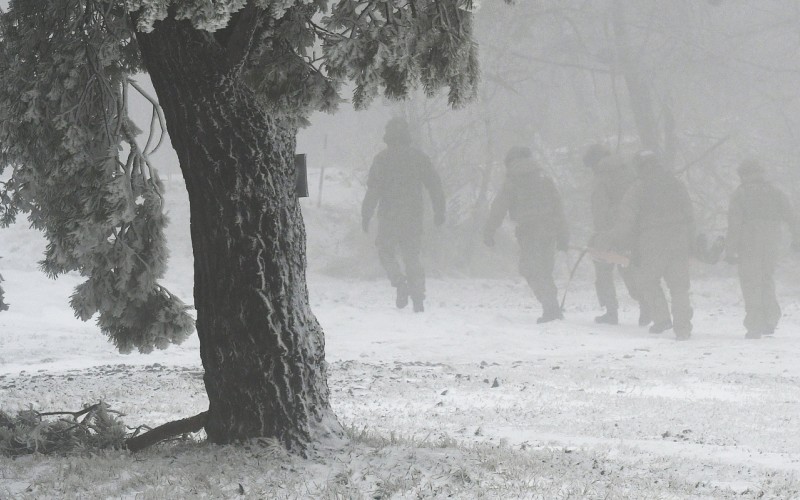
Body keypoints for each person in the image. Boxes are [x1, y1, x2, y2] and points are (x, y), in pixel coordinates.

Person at [600, 151, 694, 340]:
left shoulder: (638, 188)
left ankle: (661, 318)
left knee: (647, 281)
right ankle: (683, 328)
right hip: (679, 239)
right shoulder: (676, 184)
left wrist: (613, 239)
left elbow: (626, 220)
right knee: (679, 286)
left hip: (652, 241)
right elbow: (689, 213)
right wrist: (690, 239)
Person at [362, 117, 445, 313]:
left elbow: (373, 190)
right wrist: (439, 211)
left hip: (389, 215)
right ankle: (418, 299)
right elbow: (434, 185)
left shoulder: (381, 159)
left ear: (388, 136)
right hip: (413, 216)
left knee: (385, 251)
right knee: (412, 257)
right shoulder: (419, 157)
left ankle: (400, 283)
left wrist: (366, 215)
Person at [483, 146, 569, 323]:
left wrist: (489, 231)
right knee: (544, 269)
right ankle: (552, 307)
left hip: (529, 231)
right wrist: (563, 235)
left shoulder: (513, 181)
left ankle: (550, 308)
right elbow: (558, 207)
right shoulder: (544, 178)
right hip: (549, 230)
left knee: (530, 269)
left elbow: (498, 209)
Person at [724, 159, 800, 339]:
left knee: (751, 281)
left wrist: (730, 250)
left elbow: (734, 223)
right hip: (773, 239)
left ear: (744, 175)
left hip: (749, 239)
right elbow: (791, 217)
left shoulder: (741, 193)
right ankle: (770, 320)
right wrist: (796, 239)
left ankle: (754, 325)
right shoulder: (775, 192)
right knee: (766, 278)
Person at [582, 144, 647, 326]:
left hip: (610, 229)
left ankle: (611, 312)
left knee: (603, 269)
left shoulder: (602, 178)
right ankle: (645, 305)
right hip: (634, 229)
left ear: (595, 163)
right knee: (629, 267)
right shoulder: (630, 172)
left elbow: (600, 210)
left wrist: (600, 236)